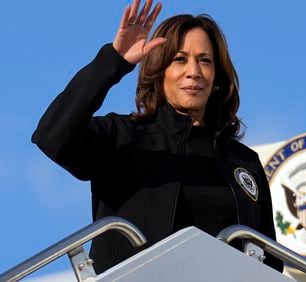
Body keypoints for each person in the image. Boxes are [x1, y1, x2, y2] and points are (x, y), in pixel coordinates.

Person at [32, 0, 283, 274]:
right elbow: (51, 136)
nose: (194, 72)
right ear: (159, 70)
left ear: (217, 77)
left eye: (205, 61)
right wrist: (113, 62)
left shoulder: (242, 162)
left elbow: (269, 264)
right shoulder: (123, 137)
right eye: (179, 59)